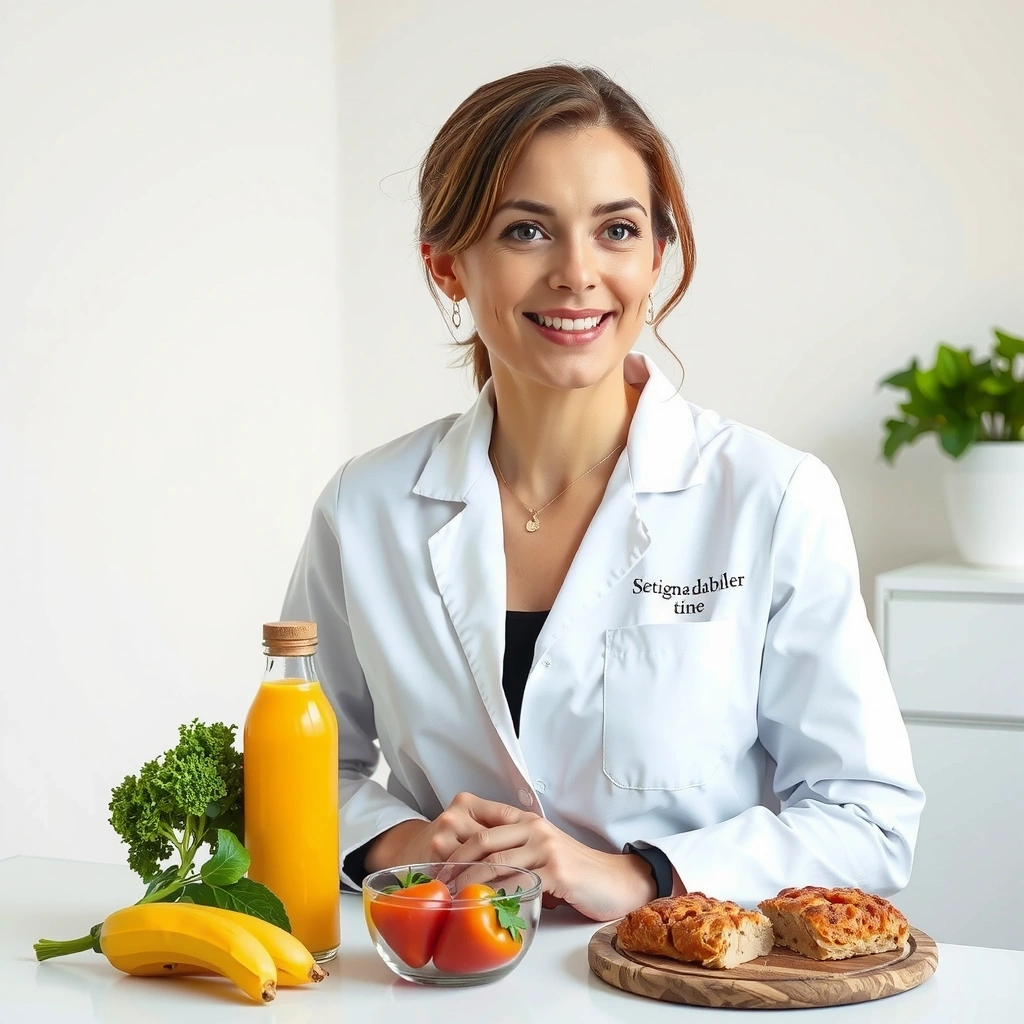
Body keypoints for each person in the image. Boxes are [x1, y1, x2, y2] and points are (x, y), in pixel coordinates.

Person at [281, 64, 924, 923]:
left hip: (681, 973)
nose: (577, 273)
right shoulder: (364, 508)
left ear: (655, 258)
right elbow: (302, 772)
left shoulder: (771, 497)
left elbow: (869, 819)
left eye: (616, 230)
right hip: (444, 968)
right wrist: (410, 844)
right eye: (526, 231)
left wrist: (639, 875)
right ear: (447, 266)